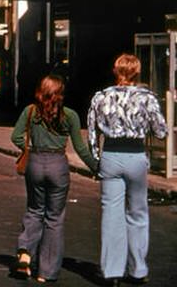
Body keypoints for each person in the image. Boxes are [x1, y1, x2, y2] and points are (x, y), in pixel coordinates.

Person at [87, 52, 169, 286]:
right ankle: (138, 269)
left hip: (111, 154)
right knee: (138, 212)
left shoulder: (101, 97)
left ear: (116, 71)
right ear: (137, 72)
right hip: (136, 155)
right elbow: (161, 131)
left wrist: (97, 159)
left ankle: (112, 270)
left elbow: (92, 133)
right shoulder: (147, 98)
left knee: (111, 214)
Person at [12, 74, 98, 283]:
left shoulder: (30, 111)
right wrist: (97, 168)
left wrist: (27, 148)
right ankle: (46, 272)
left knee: (34, 209)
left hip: (35, 163)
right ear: (61, 93)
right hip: (58, 164)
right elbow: (80, 149)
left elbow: (15, 136)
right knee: (54, 218)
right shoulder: (70, 115)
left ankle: (25, 251)